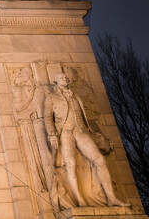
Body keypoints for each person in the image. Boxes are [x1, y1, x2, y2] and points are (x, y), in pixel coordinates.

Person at [44, 72, 128, 207]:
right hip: (65, 132)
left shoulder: (76, 96)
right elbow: (48, 118)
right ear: (56, 82)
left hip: (81, 130)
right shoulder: (51, 97)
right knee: (70, 165)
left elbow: (87, 118)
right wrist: (52, 134)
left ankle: (112, 198)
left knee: (100, 160)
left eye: (65, 77)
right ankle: (80, 200)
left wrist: (98, 134)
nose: (64, 78)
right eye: (60, 77)